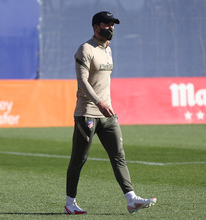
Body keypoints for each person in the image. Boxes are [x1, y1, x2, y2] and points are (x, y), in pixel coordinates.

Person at [64, 11, 157, 214]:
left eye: (113, 24)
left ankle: (131, 199)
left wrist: (107, 106)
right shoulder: (85, 49)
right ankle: (70, 203)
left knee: (118, 156)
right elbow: (82, 83)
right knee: (79, 159)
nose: (111, 28)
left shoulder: (108, 49)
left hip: (107, 116)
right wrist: (99, 103)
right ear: (96, 27)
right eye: (106, 24)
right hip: (87, 114)